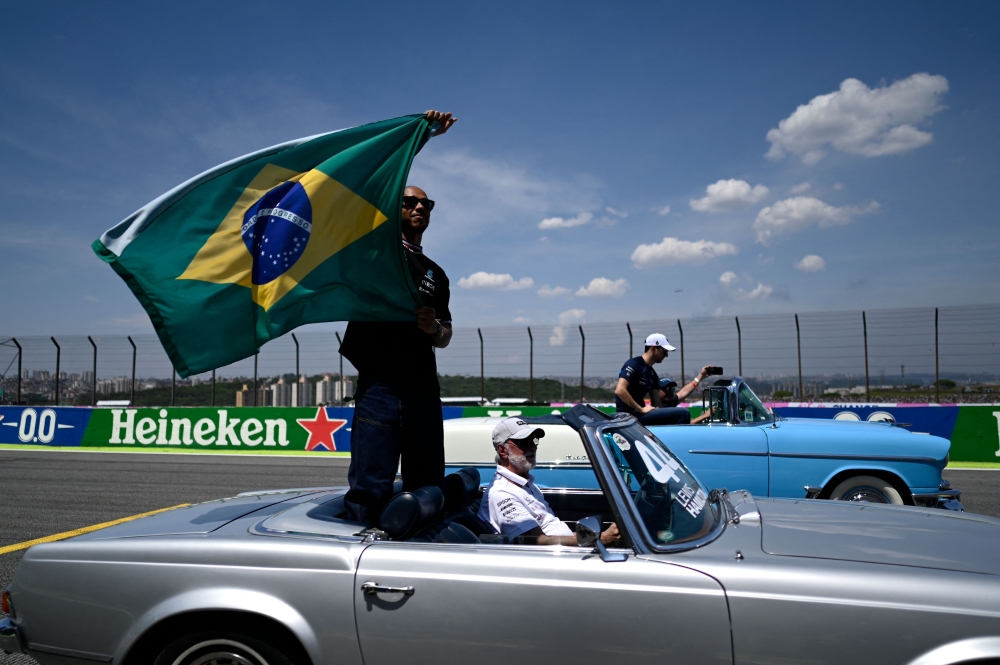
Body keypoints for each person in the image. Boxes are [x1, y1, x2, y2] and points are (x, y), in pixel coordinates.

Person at [339, 110, 458, 524]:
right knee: (371, 483)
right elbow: (374, 191)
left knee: (428, 483)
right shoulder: (378, 253)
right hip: (382, 387)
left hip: (423, 386)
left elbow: (446, 334)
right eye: (409, 201)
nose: (420, 207)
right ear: (396, 208)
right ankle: (353, 556)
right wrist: (419, 137)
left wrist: (435, 329)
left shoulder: (435, 273)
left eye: (426, 203)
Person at [478, 417, 620, 545]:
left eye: (533, 440)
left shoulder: (526, 484)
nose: (533, 447)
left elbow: (553, 532)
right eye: (523, 442)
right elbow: (537, 541)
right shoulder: (502, 494)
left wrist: (594, 536)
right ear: (503, 450)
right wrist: (599, 538)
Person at [614, 333, 687, 425]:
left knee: (677, 414)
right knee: (683, 413)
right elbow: (619, 390)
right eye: (664, 351)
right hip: (627, 416)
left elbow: (657, 405)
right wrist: (641, 409)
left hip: (640, 415)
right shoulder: (634, 364)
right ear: (653, 348)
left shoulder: (653, 375)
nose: (666, 355)